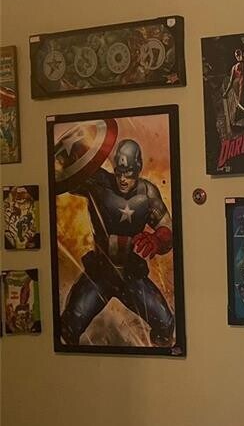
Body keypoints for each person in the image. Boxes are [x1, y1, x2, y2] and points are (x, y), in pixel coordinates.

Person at [58, 138, 176, 346]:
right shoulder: (98, 181)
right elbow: (67, 176)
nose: (123, 179)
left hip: (131, 274)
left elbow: (167, 228)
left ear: (138, 168)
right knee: (68, 326)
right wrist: (72, 153)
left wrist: (157, 240)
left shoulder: (147, 192)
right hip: (100, 273)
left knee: (165, 325)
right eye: (119, 172)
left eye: (128, 173)